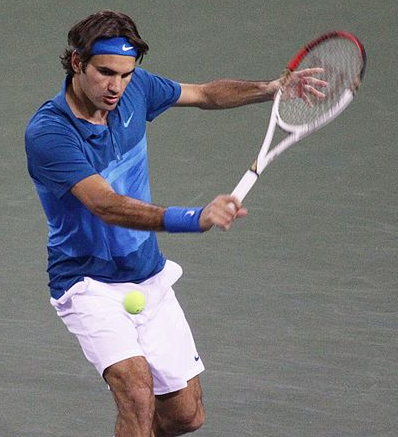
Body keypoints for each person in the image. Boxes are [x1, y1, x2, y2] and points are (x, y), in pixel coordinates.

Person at [25, 10, 327, 437]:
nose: (116, 87)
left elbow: (204, 94)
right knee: (136, 392)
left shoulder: (136, 92)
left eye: (126, 74)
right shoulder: (49, 133)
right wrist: (193, 217)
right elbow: (105, 205)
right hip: (86, 282)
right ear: (77, 63)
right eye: (105, 73)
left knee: (186, 415)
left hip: (146, 274)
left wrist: (273, 89)